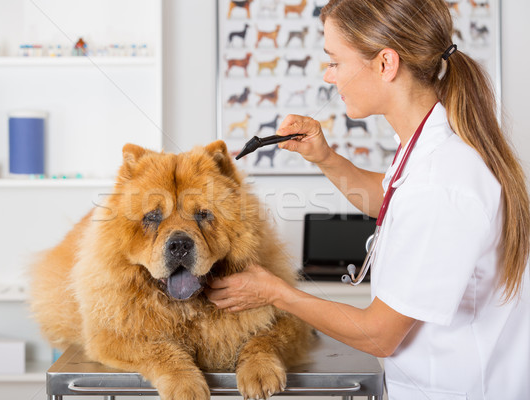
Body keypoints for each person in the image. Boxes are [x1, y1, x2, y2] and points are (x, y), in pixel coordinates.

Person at [205, 0, 530, 398]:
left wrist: (275, 292)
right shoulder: (428, 147)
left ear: (385, 64)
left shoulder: (444, 182)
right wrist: (325, 157)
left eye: (335, 61)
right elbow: (392, 200)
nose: (328, 76)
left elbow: (380, 336)